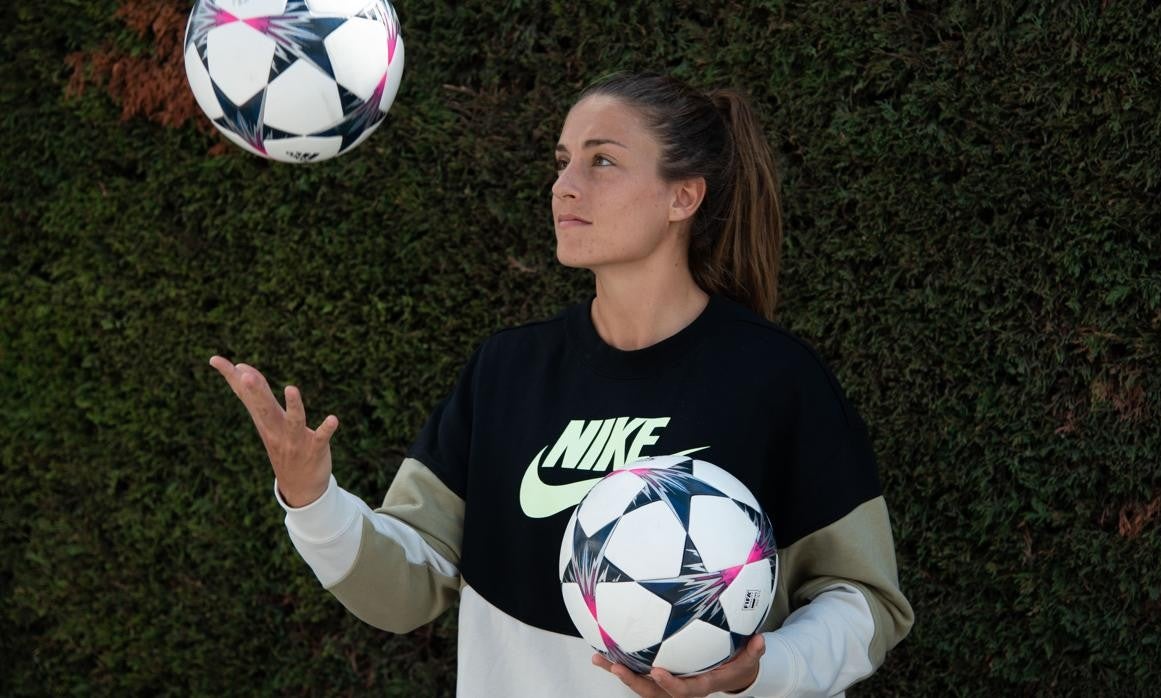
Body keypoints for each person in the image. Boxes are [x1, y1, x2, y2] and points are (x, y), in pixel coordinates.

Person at [209, 71, 913, 697]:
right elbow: (408, 591)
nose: (564, 185)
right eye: (562, 160)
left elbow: (866, 604)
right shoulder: (506, 372)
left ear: (683, 197)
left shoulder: (776, 380)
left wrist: (760, 669)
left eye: (601, 160)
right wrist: (313, 500)